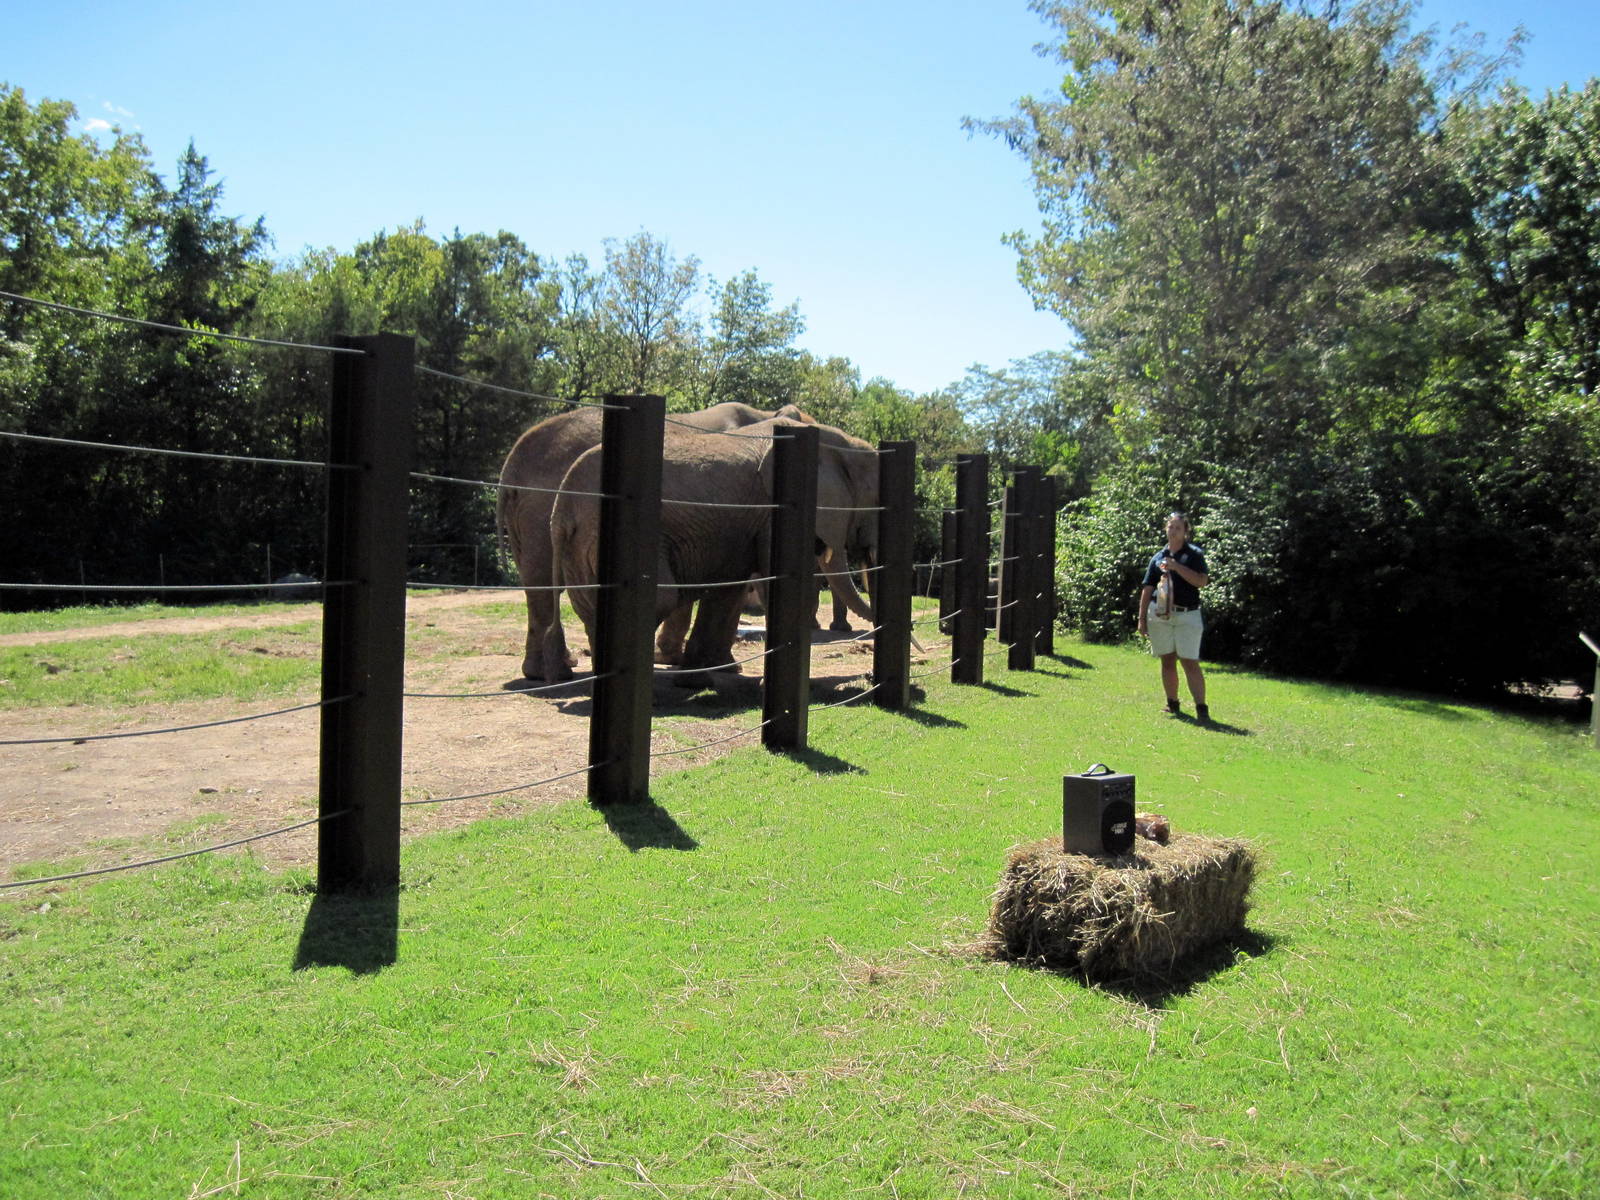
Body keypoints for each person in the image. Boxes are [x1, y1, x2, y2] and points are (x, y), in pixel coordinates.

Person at [1137, 512, 1211, 722]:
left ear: (1185, 532)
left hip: (1187, 615)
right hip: (1160, 614)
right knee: (1167, 660)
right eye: (1170, 527)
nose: (1173, 531)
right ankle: (1172, 703)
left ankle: (1201, 708)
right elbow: (1148, 587)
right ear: (1165, 529)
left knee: (1189, 661)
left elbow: (1201, 581)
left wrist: (1177, 567)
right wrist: (1142, 618)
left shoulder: (1194, 555)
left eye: (1178, 528)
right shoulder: (1158, 557)